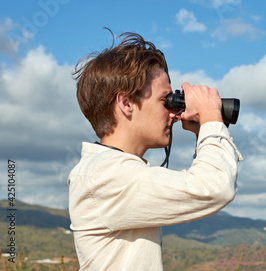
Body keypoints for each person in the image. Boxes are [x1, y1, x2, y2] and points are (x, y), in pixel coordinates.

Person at [68, 30, 242, 270]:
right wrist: (211, 116)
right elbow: (215, 187)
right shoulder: (107, 175)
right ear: (126, 103)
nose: (174, 112)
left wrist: (204, 129)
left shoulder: (112, 171)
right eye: (165, 101)